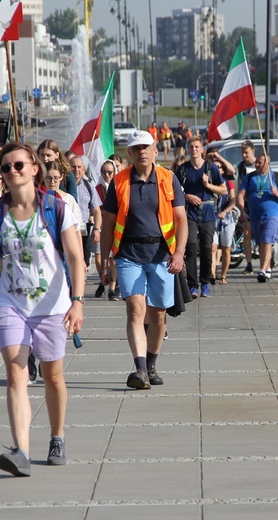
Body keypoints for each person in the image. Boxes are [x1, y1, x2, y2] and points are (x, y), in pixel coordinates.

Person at [0, 142, 85, 477]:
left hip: (52, 307)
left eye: (18, 165)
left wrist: (78, 302)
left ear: (34, 168)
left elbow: (77, 259)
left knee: (52, 376)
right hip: (12, 304)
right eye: (5, 168)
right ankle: (21, 450)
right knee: (16, 372)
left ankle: (57, 436)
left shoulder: (56, 207)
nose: (11, 172)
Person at [100, 130, 187, 389]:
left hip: (162, 255)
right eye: (136, 148)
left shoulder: (168, 179)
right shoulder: (119, 182)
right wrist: (106, 261)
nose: (141, 152)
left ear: (155, 150)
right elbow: (108, 224)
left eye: (146, 147)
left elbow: (181, 219)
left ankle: (151, 364)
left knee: (158, 316)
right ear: (130, 153)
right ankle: (139, 370)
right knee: (135, 310)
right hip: (129, 254)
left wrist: (179, 253)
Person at [175, 136, 227, 298]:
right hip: (189, 213)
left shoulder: (211, 168)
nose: (194, 150)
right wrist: (187, 196)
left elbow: (223, 190)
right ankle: (192, 285)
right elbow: (174, 191)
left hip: (208, 213)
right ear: (188, 149)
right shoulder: (183, 169)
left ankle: (205, 282)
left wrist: (208, 185)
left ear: (202, 150)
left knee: (206, 248)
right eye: (191, 147)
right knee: (190, 247)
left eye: (197, 147)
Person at [237, 152, 278, 282]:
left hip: (272, 215)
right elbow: (240, 194)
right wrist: (242, 210)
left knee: (267, 241)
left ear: (267, 163)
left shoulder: (275, 177)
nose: (257, 165)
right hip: (255, 216)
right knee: (261, 243)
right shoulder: (250, 177)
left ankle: (262, 270)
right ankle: (265, 269)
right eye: (257, 162)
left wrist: (276, 193)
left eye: (260, 162)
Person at [206, 152, 237, 285]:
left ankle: (223, 276)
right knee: (213, 247)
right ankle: (212, 273)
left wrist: (225, 211)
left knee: (226, 248)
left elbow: (233, 200)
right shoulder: (208, 180)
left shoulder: (227, 181)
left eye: (219, 167)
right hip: (212, 217)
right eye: (214, 167)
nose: (217, 169)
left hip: (226, 218)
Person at [69, 155, 102, 268]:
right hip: (68, 228)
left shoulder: (89, 186)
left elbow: (96, 210)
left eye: (79, 167)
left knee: (85, 260)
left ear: (84, 169)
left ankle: (82, 281)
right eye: (73, 167)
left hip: (84, 228)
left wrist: (96, 229)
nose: (76, 170)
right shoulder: (63, 185)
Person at [94, 159, 119, 301]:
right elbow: (95, 207)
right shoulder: (97, 188)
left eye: (110, 172)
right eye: (104, 172)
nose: (107, 175)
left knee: (114, 259)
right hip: (103, 225)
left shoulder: (118, 186)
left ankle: (113, 288)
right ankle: (104, 278)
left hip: (116, 226)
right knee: (103, 258)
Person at [236, 140, 257, 275]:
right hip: (247, 203)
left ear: (253, 151)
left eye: (246, 152)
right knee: (247, 232)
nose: (244, 155)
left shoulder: (260, 164)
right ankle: (249, 264)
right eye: (242, 152)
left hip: (259, 203)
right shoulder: (241, 166)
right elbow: (239, 185)